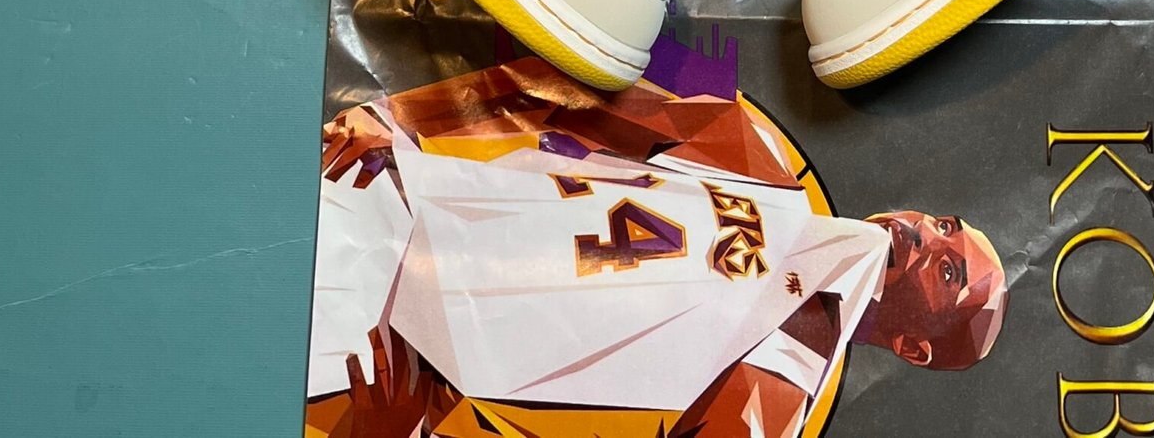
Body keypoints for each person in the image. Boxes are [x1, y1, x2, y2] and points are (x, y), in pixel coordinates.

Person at [309, 55, 1008, 438]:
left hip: (367, 360)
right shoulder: (758, 158)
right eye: (945, 224)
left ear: (913, 346)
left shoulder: (769, 400)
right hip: (377, 199)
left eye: (948, 272)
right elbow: (567, 88)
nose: (926, 235)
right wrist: (398, 114)